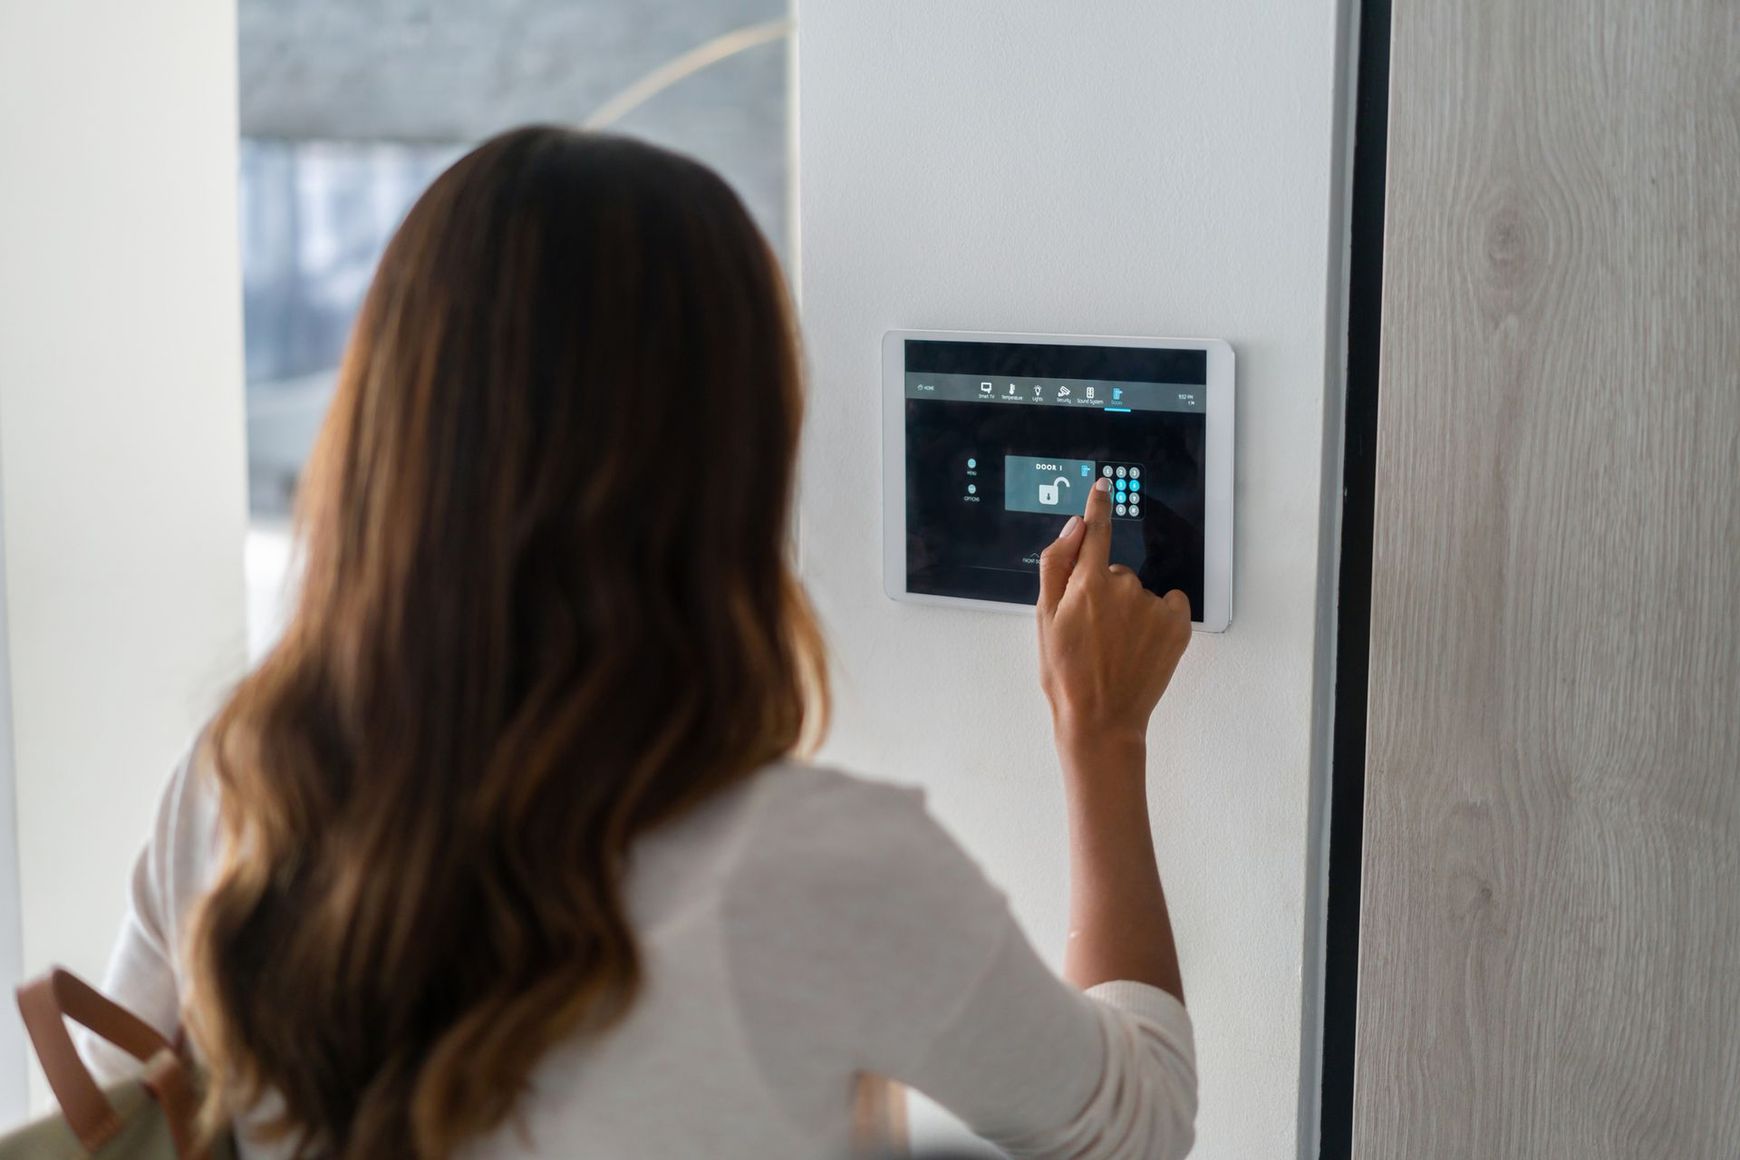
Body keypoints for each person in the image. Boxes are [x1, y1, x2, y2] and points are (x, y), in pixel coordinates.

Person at [85, 127, 1197, 1160]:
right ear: (734, 465)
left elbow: (116, 1122)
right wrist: (1102, 735)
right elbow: (1133, 1122)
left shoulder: (238, 785)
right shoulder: (825, 866)